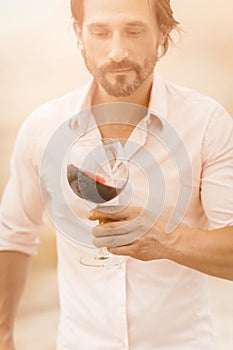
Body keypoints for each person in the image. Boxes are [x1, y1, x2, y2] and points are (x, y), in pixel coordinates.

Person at [0, 0, 233, 349]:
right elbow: (14, 236)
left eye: (134, 31)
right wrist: (4, 336)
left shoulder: (207, 124)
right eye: (99, 32)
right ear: (79, 34)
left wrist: (166, 241)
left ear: (163, 34)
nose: (117, 51)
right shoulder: (42, 129)